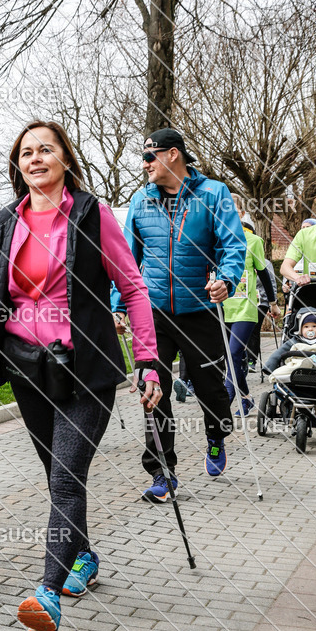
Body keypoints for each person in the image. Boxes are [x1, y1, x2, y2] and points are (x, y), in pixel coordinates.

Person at [0, 120, 160, 631]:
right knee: (58, 474)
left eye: (45, 149)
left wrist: (149, 361)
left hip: (85, 369)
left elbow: (134, 288)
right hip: (28, 366)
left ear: (65, 159)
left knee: (66, 477)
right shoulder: (7, 220)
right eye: (25, 152)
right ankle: (84, 555)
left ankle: (46, 595)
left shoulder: (93, 215)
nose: (34, 158)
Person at [115, 128, 246, 499]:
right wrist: (118, 305)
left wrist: (226, 279)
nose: (144, 165)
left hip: (201, 311)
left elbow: (232, 246)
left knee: (211, 392)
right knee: (153, 390)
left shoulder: (214, 194)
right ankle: (162, 473)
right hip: (153, 314)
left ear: (173, 155)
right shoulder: (141, 200)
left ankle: (217, 435)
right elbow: (126, 260)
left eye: (148, 156)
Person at [223, 196, 280, 415]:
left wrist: (273, 304)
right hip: (221, 307)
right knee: (231, 357)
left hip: (245, 308)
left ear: (241, 213)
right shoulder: (215, 239)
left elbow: (264, 274)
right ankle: (246, 398)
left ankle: (225, 404)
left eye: (233, 209)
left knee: (234, 354)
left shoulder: (253, 241)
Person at [263, 310, 316, 413]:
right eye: (306, 327)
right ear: (300, 329)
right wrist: (269, 366)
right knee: (284, 370)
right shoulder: (294, 341)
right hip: (297, 367)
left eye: (314, 326)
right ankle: (306, 364)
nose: (310, 329)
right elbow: (279, 353)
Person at [247, 256, 277, 372]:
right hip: (242, 300)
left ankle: (251, 360)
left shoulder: (265, 263)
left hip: (261, 302)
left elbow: (272, 283)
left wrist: (272, 303)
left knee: (254, 329)